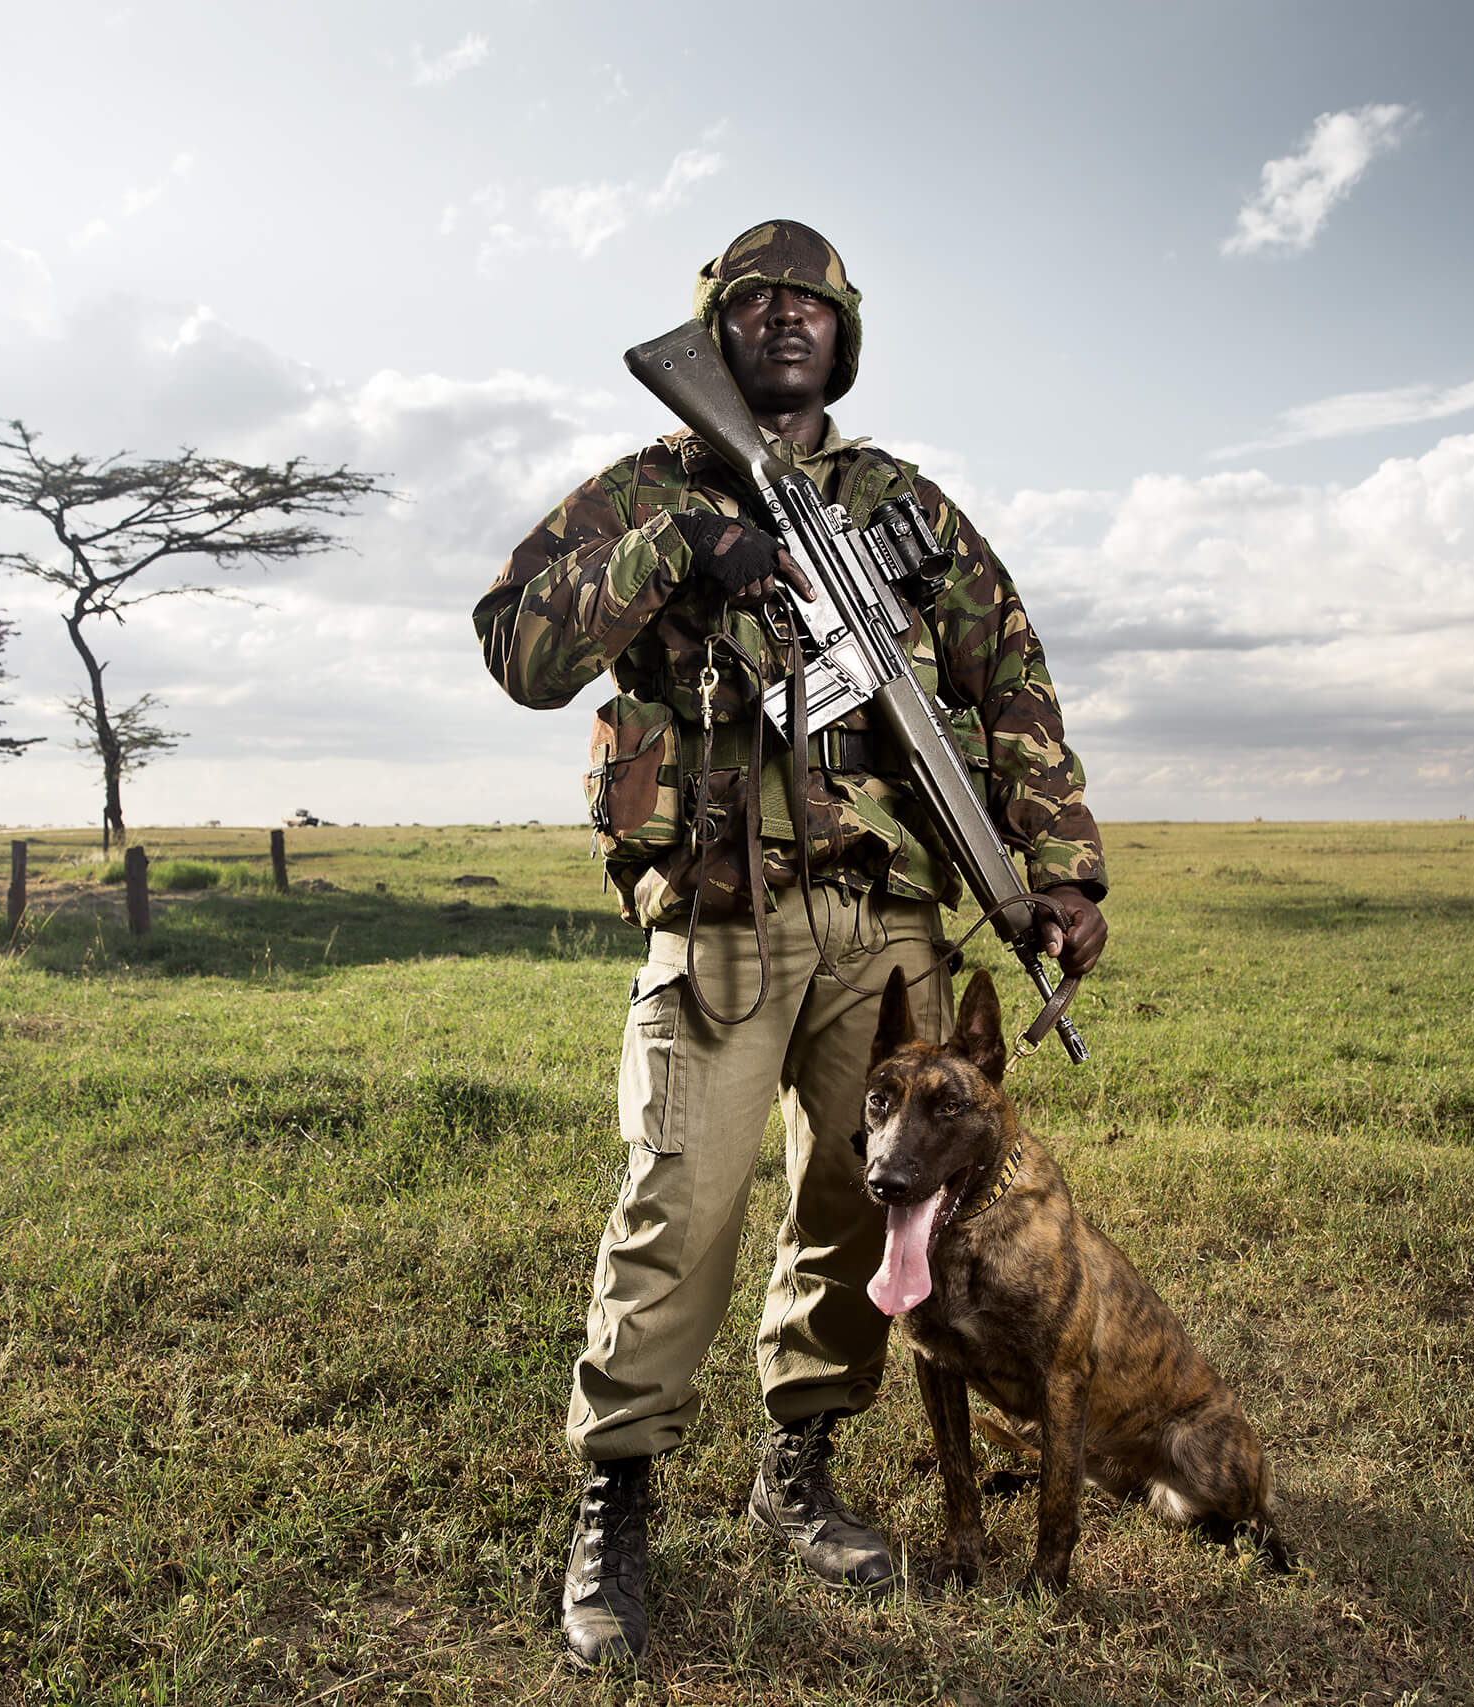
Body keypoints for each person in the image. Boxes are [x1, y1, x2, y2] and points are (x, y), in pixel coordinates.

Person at [472, 219, 1109, 1669]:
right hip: (718, 916)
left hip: (888, 926)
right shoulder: (648, 484)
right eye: (751, 303)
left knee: (863, 1203)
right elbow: (518, 645)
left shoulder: (907, 508)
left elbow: (1010, 682)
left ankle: (798, 1467)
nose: (781, 320)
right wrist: (683, 542)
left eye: (808, 304)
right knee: (679, 1203)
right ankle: (615, 1498)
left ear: (846, 334)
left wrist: (1061, 875)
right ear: (712, 331)